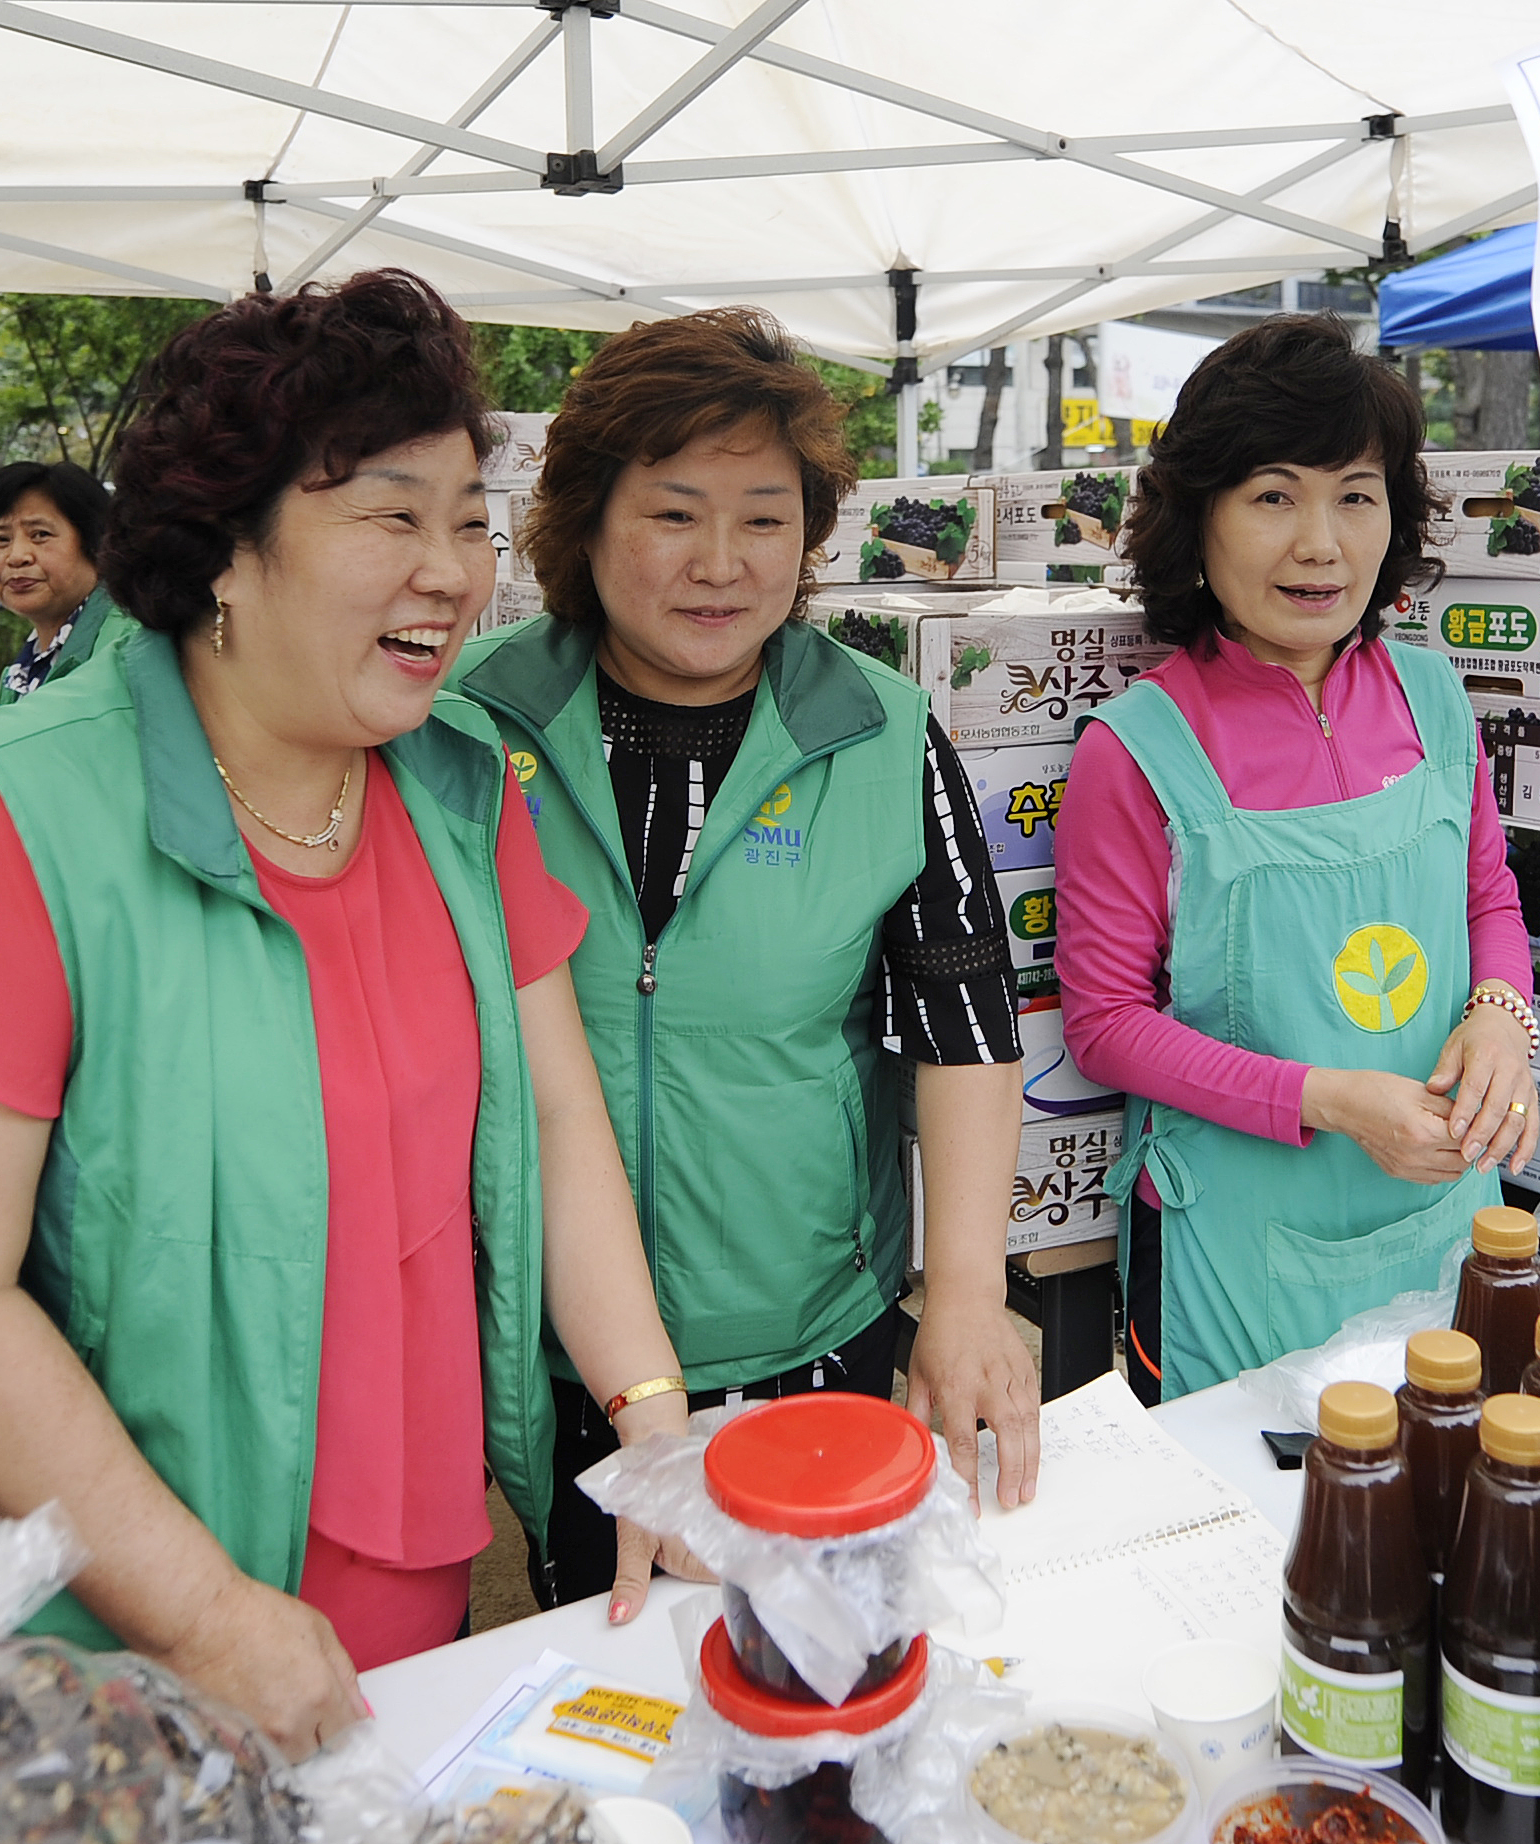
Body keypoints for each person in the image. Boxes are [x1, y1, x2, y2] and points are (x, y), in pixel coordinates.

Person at [0, 271, 697, 1758]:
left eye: (469, 521)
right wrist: (204, 1614)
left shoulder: (462, 785)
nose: (453, 572)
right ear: (224, 547)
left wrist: (652, 1418)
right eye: (391, 516)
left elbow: (553, 1109)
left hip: (413, 1572)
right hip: (120, 1638)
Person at [451, 307, 1041, 1608]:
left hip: (816, 1326)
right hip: (560, 1341)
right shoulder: (467, 726)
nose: (720, 564)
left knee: (821, 1649)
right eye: (673, 515)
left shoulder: (882, 732)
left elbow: (966, 1025)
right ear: (584, 524)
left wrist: (962, 1292)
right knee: (613, 1657)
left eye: (765, 519)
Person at [1053, 314, 1539, 1406]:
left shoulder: (1434, 699)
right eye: (1274, 496)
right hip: (1236, 1237)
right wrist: (1330, 1097)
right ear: (1199, 519)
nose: (1321, 543)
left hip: (1441, 1205)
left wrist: (1502, 1015)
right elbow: (1105, 1023)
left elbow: (1487, 898)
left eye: (1355, 496)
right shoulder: (1138, 748)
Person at [0, 459, 128, 704]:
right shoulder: (21, 673)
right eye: (0, 539)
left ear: (96, 542)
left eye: (41, 534)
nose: (17, 556)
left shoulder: (128, 646)